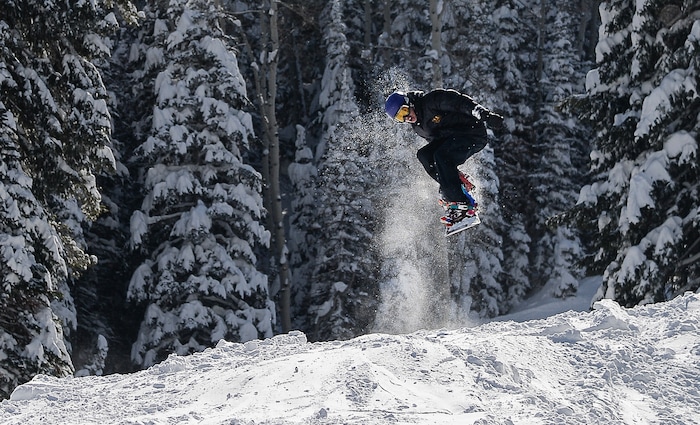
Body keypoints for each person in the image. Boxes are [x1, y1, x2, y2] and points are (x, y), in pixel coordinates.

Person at [384, 89, 503, 227]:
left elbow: (460, 102)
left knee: (441, 156)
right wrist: (449, 176)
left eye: (404, 111)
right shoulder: (418, 127)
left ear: (409, 103)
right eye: (400, 118)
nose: (406, 118)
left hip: (472, 133)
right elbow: (436, 143)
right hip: (452, 139)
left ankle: (462, 203)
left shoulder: (431, 101)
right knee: (425, 156)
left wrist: (484, 115)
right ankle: (454, 187)